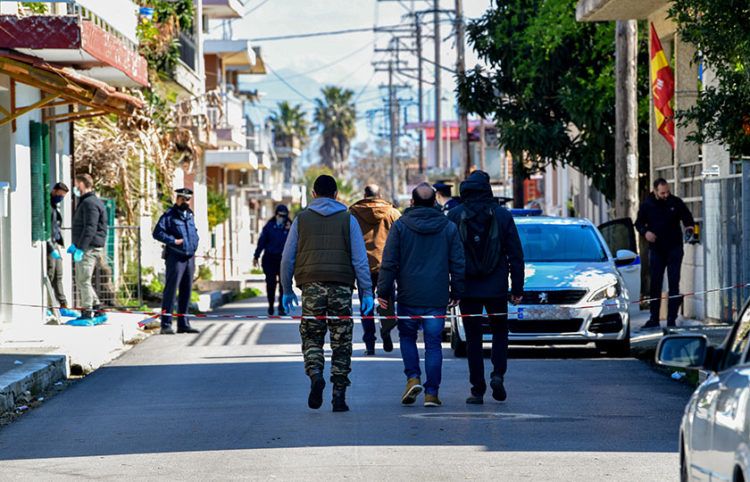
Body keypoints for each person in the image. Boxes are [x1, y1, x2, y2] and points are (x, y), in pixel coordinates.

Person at [280, 175, 373, 412]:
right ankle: (339, 396)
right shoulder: (348, 220)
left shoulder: (301, 220)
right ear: (336, 195)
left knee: (312, 336)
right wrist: (366, 293)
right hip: (341, 287)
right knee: (341, 341)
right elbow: (360, 260)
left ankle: (315, 373)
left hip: (311, 286)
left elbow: (287, 258)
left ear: (313, 194)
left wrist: (287, 289)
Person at [378, 183, 465, 408]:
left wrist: (384, 291)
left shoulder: (400, 226)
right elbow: (457, 262)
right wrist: (457, 290)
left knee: (407, 338)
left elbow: (389, 262)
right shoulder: (448, 227)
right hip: (436, 298)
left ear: (412, 202)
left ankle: (413, 377)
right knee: (433, 344)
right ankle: (431, 394)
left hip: (408, 296)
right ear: (435, 202)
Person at [447, 170, 525, 405]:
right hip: (497, 288)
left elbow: (449, 257)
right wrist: (517, 289)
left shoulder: (454, 215)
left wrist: (452, 291)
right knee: (500, 331)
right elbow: (516, 255)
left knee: (473, 338)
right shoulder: (502, 216)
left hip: (468, 289)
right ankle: (498, 374)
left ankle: (477, 389)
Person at [635, 178, 695, 329]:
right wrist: (645, 232)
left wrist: (689, 227)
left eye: (667, 191)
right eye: (662, 193)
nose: (666, 195)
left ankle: (671, 319)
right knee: (655, 284)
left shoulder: (675, 202)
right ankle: (654, 318)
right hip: (656, 250)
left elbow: (688, 218)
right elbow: (639, 223)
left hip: (674, 248)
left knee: (674, 284)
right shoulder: (647, 205)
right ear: (655, 191)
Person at [349, 184, 401, 355]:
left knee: (366, 304)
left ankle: (369, 344)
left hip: (363, 266)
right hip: (387, 266)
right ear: (379, 196)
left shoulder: (352, 214)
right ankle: (386, 331)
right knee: (387, 302)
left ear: (364, 195)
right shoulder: (392, 213)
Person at [153, 188, 201, 335]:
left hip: (189, 258)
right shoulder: (169, 215)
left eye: (188, 199)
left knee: (186, 291)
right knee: (171, 291)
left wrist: (194, 244)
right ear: (177, 199)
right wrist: (172, 241)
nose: (185, 202)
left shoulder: (189, 215)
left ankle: (183, 323)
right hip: (175, 257)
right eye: (183, 199)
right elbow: (157, 232)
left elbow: (194, 233)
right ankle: (166, 324)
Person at [69, 174, 108, 320]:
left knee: (83, 280)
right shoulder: (87, 201)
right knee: (81, 280)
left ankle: (87, 312)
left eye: (76, 184)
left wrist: (81, 248)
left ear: (82, 184)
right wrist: (75, 245)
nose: (75, 187)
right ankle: (97, 308)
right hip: (86, 246)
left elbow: (90, 227)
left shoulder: (90, 203)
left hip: (89, 248)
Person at [254, 205, 291, 316]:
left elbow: (296, 243)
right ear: (276, 215)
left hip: (283, 259)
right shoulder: (269, 227)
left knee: (283, 285)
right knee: (271, 284)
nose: (282, 218)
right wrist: (256, 256)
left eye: (284, 216)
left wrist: (290, 230)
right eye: (280, 216)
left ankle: (281, 307)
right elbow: (262, 242)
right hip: (270, 259)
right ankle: (270, 305)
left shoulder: (290, 227)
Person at [47, 182, 70, 311]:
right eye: (60, 195)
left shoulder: (55, 207)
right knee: (50, 274)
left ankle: (63, 304)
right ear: (54, 190)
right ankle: (49, 306)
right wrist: (50, 247)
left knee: (58, 274)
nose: (60, 198)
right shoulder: (48, 205)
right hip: (49, 244)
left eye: (63, 196)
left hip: (55, 243)